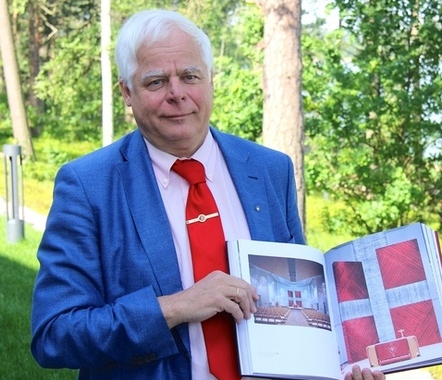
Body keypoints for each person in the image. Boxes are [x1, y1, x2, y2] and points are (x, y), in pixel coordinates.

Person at [30, 8, 384, 380]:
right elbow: (54, 334)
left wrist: (342, 366)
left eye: (189, 76)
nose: (176, 93)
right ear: (127, 92)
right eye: (155, 82)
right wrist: (175, 307)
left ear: (211, 79)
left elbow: (302, 305)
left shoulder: (269, 170)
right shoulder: (88, 186)